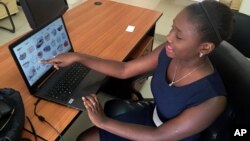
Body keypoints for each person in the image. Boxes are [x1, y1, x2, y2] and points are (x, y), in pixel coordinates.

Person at [42, 0, 234, 140]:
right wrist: (78, 56)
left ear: (205, 47)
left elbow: (159, 136)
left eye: (179, 36)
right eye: (172, 27)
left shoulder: (212, 100)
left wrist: (103, 122)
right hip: (152, 117)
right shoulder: (169, 52)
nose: (168, 37)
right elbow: (124, 70)